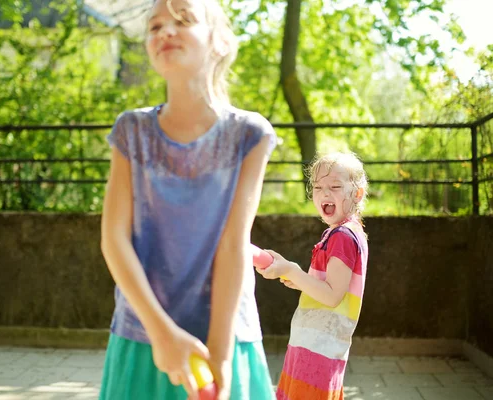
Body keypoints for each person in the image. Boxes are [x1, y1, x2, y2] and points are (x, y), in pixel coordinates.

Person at [100, 1, 277, 399]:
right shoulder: (131, 130)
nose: (164, 32)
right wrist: (162, 335)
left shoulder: (250, 134)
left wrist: (221, 353)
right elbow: (114, 239)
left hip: (227, 336)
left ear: (219, 42)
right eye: (155, 25)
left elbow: (233, 245)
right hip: (142, 337)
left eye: (183, 21)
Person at [256, 152, 369, 400]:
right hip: (316, 345)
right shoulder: (341, 233)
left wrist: (291, 271)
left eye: (335, 187)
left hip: (318, 349)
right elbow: (326, 287)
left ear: (357, 193)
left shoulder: (342, 237)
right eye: (318, 187)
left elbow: (331, 297)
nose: (325, 193)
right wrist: (296, 279)